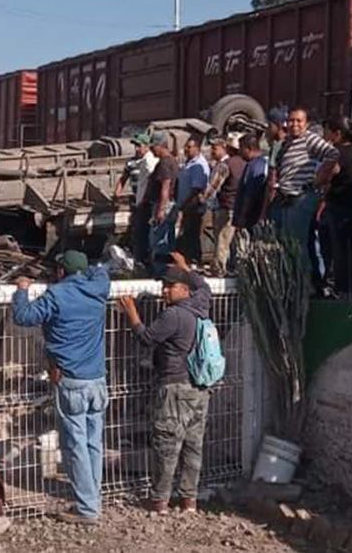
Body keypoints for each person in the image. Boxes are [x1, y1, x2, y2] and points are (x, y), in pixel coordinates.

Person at [11, 251, 111, 524]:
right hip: (97, 379)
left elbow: (23, 316)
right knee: (93, 442)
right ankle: (93, 497)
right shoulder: (99, 288)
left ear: (60, 272)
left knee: (75, 445)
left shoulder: (56, 295)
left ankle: (87, 508)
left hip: (71, 380)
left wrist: (22, 289)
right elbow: (101, 270)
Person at [115, 255, 213, 514]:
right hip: (198, 388)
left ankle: (160, 501)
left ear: (184, 290)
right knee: (193, 446)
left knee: (167, 445)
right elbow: (204, 287)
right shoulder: (200, 305)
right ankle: (189, 500)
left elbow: (147, 339)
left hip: (174, 387)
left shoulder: (173, 315)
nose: (164, 291)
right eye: (163, 286)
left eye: (170, 286)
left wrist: (132, 314)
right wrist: (186, 268)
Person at [264, 106, 341, 244]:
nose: (295, 124)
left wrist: (320, 178)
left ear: (306, 123)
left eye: (299, 121)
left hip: (300, 199)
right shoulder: (286, 142)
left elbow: (333, 154)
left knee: (297, 244)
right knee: (285, 242)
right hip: (285, 199)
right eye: (291, 120)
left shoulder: (309, 139)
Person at [320, 117, 352, 296]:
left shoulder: (337, 152)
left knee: (339, 250)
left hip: (340, 206)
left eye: (327, 131)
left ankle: (341, 288)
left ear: (337, 133)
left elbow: (328, 174)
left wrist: (318, 180)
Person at [201, 138, 245, 275]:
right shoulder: (245, 164)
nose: (212, 151)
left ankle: (219, 269)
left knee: (222, 239)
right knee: (235, 241)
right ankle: (236, 268)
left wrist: (203, 198)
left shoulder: (226, 165)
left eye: (215, 148)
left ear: (227, 148)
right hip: (239, 207)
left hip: (225, 206)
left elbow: (214, 186)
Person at [115, 132, 158, 266]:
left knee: (144, 230)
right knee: (137, 229)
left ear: (147, 146)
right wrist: (117, 192)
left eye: (139, 146)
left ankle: (144, 258)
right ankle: (139, 257)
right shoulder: (131, 162)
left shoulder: (151, 161)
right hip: (136, 199)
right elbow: (123, 178)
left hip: (147, 201)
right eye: (136, 146)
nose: (137, 149)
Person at [146, 132, 180, 275]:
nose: (151, 150)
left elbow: (165, 186)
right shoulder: (172, 160)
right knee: (168, 238)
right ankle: (168, 271)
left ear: (160, 146)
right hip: (170, 204)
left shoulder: (164, 163)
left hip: (164, 205)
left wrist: (160, 209)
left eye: (153, 147)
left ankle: (160, 271)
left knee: (159, 240)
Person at [175, 136, 210, 265]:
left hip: (194, 207)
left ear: (197, 148)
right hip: (186, 206)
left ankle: (194, 261)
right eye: (186, 146)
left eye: (189, 147)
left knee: (192, 235)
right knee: (187, 236)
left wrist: (185, 203)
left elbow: (197, 188)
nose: (186, 149)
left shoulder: (199, 164)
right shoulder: (189, 163)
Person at [232, 135, 269, 232]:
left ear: (249, 149)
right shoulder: (253, 164)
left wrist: (242, 216)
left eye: (241, 148)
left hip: (251, 218)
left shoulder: (256, 166)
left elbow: (250, 194)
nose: (239, 152)